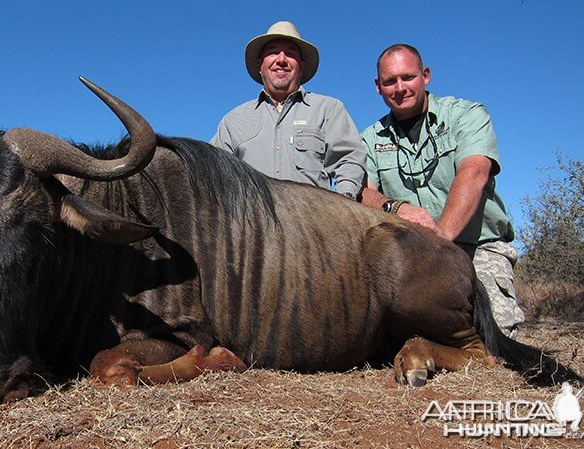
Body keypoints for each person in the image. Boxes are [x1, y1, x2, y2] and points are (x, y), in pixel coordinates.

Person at [359, 44, 525, 337]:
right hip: (413, 254)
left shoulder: (466, 115)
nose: (399, 88)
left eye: (408, 77)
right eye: (389, 81)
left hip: (476, 247)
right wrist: (397, 208)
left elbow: (475, 171)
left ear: (425, 76)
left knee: (495, 335)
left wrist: (442, 236)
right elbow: (364, 192)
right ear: (378, 87)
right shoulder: (370, 138)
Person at [211, 21, 366, 199]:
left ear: (302, 66)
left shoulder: (329, 109)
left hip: (313, 223)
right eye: (273, 52)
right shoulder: (233, 121)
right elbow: (210, 172)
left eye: (290, 53)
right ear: (260, 66)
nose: (281, 59)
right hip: (251, 224)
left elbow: (349, 160)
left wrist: (344, 201)